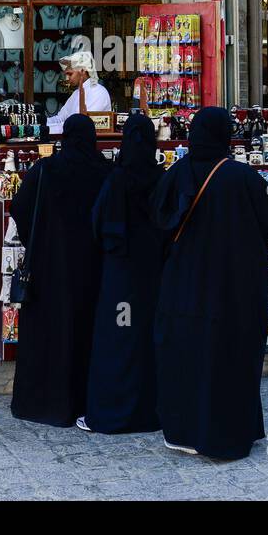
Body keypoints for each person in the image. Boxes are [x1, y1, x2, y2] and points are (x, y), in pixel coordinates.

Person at [150, 106, 268, 459]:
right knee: (232, 354)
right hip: (236, 286)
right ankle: (228, 432)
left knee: (185, 354)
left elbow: (157, 225)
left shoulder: (174, 175)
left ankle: (184, 431)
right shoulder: (245, 177)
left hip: (184, 285)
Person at [9, 113, 112, 426]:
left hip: (49, 268)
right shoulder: (105, 172)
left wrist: (39, 243)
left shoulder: (45, 170)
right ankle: (84, 401)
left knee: (50, 332)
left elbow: (21, 210)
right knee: (86, 332)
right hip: (93, 269)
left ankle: (45, 403)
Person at [79, 113, 167, 434]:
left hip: (121, 279)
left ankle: (114, 413)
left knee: (118, 339)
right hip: (152, 276)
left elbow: (100, 224)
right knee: (147, 339)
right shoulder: (160, 178)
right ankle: (148, 411)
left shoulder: (117, 180)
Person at [47, 51, 112, 135]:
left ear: (82, 71)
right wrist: (38, 124)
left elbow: (77, 125)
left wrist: (44, 130)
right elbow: (60, 118)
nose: (67, 78)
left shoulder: (97, 92)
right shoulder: (76, 93)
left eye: (70, 74)